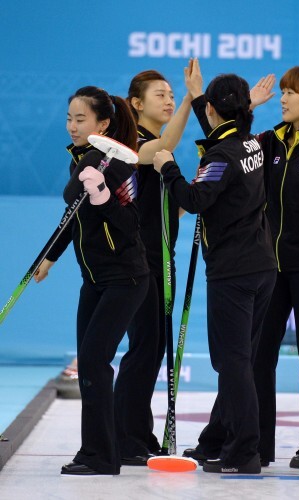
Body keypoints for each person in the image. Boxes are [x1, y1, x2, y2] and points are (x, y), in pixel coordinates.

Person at [187, 63, 299, 469]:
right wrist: (201, 102)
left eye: (290, 93)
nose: (282, 99)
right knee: (254, 359)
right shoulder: (268, 144)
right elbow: (225, 143)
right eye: (281, 92)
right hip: (268, 269)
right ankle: (256, 446)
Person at [153, 70, 277, 474]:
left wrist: (167, 166)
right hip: (261, 266)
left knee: (233, 362)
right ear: (245, 108)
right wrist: (204, 97)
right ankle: (217, 441)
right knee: (238, 360)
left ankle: (244, 451)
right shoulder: (249, 143)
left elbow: (195, 198)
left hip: (234, 272)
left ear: (210, 110)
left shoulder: (223, 155)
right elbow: (228, 128)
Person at [34, 86, 149, 476]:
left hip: (126, 278)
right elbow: (72, 215)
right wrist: (48, 258)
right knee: (90, 366)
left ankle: (103, 457)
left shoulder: (117, 165)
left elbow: (133, 225)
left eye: (80, 119)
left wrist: (103, 197)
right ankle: (94, 451)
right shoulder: (83, 161)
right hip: (95, 280)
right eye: (69, 118)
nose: (71, 126)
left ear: (103, 124)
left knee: (97, 362)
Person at [114, 63, 193, 462]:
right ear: (136, 103)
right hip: (138, 262)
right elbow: (163, 147)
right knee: (143, 347)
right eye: (160, 94)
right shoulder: (131, 145)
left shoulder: (158, 148)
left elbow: (168, 210)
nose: (169, 99)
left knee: (154, 348)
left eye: (173, 95)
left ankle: (136, 433)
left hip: (165, 259)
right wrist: (192, 97)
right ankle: (123, 437)